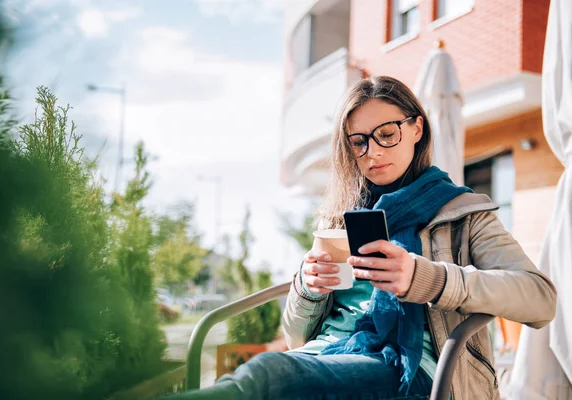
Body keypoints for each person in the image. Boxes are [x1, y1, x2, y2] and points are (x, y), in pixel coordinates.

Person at [167, 76, 557, 400]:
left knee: (272, 376)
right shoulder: (342, 216)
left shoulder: (461, 212)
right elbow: (297, 335)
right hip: (328, 353)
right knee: (275, 375)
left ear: (417, 128)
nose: (372, 152)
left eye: (386, 133)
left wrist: (427, 278)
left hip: (414, 369)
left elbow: (540, 298)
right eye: (359, 141)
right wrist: (308, 287)